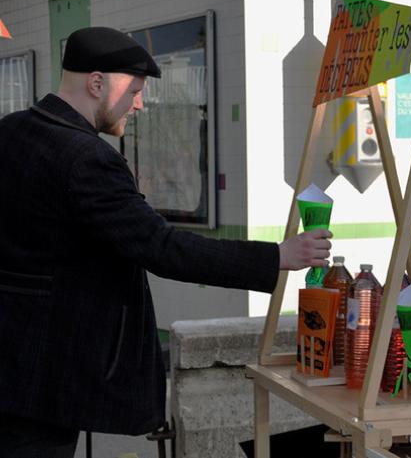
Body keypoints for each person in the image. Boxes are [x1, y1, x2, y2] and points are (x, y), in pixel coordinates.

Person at [0, 27, 332, 457]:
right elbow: (162, 246)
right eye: (134, 89)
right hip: (47, 379)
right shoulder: (88, 158)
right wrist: (276, 256)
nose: (139, 103)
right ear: (96, 82)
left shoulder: (10, 131)